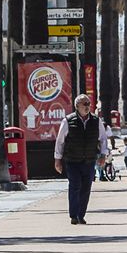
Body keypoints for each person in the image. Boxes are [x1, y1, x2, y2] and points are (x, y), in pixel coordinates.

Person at [54, 94, 109, 224]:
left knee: (86, 188)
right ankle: (73, 215)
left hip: (89, 160)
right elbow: (60, 141)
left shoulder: (96, 121)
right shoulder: (68, 121)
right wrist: (57, 159)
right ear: (77, 106)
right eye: (84, 104)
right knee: (75, 186)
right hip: (72, 160)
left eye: (89, 104)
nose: (87, 106)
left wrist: (102, 155)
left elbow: (103, 139)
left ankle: (81, 215)